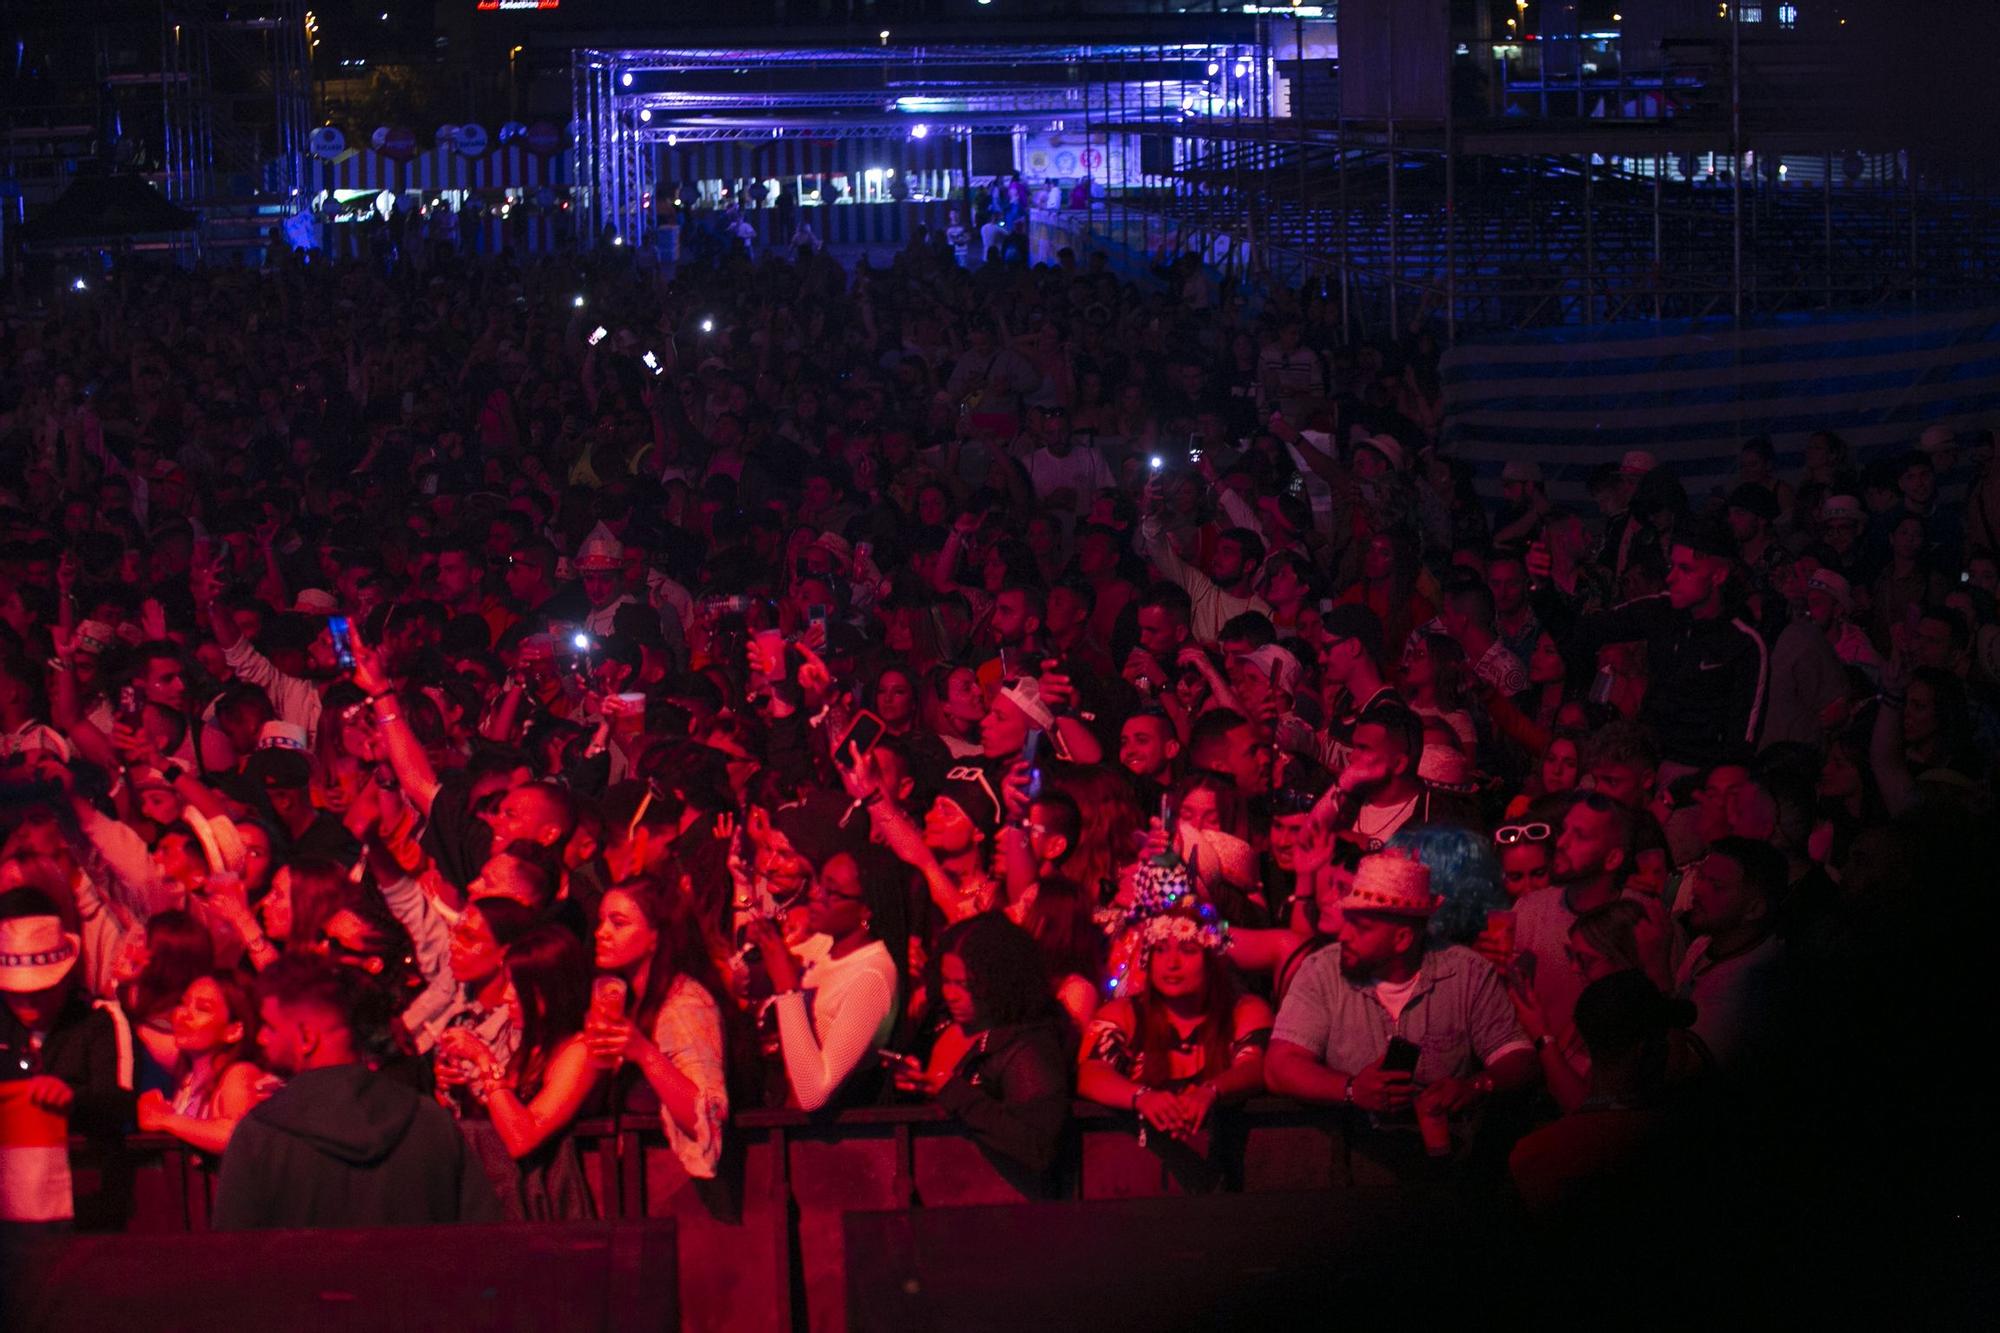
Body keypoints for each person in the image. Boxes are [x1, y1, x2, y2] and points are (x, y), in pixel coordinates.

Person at [1266, 851, 1536, 1168]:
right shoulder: (1322, 971)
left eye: (1361, 927)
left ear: (1402, 939)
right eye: (1347, 921)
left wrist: (1474, 1086)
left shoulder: (1467, 972)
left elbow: (1520, 1059)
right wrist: (1351, 1089)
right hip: (1354, 1167)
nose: (1343, 935)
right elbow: (1278, 1067)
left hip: (1452, 1166)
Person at [213, 954, 502, 1228]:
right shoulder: (428, 1121)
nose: (261, 1038)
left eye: (269, 1027)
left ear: (305, 1038)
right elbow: (481, 1238)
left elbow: (235, 1257)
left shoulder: (260, 1136)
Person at [1078, 902, 1272, 1177]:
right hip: (1134, 1174)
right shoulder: (1123, 1013)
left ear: (1212, 958)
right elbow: (1090, 1072)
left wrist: (1211, 1092)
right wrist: (1142, 1097)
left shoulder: (1245, 1010)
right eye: (1160, 950)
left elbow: (1255, 1067)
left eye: (1188, 950)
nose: (1171, 963)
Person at [892, 913, 1071, 1191]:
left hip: (1000, 1207)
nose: (951, 994)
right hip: (939, 1189)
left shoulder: (1027, 1046)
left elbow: (1038, 1146)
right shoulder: (942, 1021)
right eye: (947, 981)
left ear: (1000, 982)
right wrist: (915, 1082)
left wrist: (954, 1092)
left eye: (965, 985)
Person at [584, 878, 729, 1179]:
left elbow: (708, 1118)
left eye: (618, 923)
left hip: (681, 1199)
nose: (601, 933)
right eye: (601, 921)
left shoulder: (685, 1005)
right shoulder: (629, 1000)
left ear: (656, 936)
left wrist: (644, 1054)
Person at [134, 972, 269, 1156]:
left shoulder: (238, 1073)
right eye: (183, 1003)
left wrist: (166, 1119)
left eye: (203, 1008)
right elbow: (140, 1034)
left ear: (233, 1031)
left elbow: (238, 1134)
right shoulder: (188, 1074)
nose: (184, 1014)